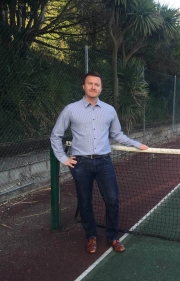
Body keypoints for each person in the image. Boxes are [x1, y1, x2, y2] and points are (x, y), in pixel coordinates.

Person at [50, 71, 148, 254]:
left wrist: (137, 144)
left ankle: (112, 237)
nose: (93, 87)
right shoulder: (70, 109)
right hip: (81, 164)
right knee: (85, 202)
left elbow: (117, 134)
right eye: (90, 83)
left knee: (112, 199)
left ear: (101, 88)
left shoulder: (110, 110)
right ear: (83, 86)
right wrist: (63, 159)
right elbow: (55, 136)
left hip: (104, 162)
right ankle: (91, 236)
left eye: (97, 84)